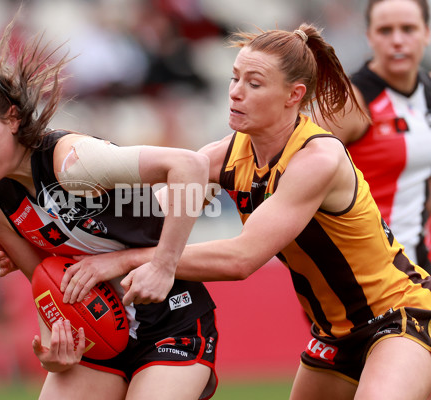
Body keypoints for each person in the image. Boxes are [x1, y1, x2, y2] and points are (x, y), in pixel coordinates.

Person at [42, 23, 431, 399]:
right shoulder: (226, 154)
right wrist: (42, 232)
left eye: (254, 83)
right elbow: (144, 220)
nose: (235, 92)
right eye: (234, 78)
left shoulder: (318, 158)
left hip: (400, 314)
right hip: (332, 334)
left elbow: (241, 258)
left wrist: (130, 262)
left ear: (293, 96)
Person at [0, 16, 219, 400]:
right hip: (98, 338)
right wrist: (57, 349)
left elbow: (191, 165)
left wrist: (164, 265)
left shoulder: (72, 161)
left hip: (170, 323)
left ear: (13, 119)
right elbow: (46, 285)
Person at [314, 0, 431, 272]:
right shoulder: (349, 100)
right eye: (385, 30)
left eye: (408, 29)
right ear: (369, 36)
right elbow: (294, 180)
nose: (398, 40)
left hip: (416, 265)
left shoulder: (427, 92)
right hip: (362, 277)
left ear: (426, 33)